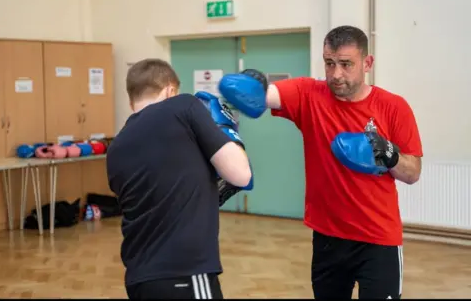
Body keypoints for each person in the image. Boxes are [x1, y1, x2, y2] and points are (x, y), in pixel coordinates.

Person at [217, 25, 423, 299]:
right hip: (328, 238)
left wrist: (390, 155)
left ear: (367, 63)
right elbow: (262, 96)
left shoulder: (393, 107)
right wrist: (250, 87)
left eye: (346, 64)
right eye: (329, 63)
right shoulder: (309, 94)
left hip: (378, 239)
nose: (336, 74)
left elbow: (413, 173)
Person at [106, 58, 253, 299]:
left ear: (131, 99)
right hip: (185, 273)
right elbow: (241, 174)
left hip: (139, 278)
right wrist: (227, 131)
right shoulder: (183, 106)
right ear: (170, 90)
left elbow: (159, 196)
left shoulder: (116, 148)